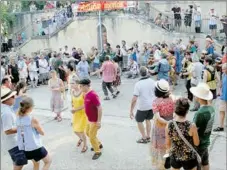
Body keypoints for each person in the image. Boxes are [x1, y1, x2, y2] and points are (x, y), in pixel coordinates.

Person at [16, 96, 52, 170]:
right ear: (31, 107)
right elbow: (42, 133)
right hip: (35, 147)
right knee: (48, 161)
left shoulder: (17, 117)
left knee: (36, 163)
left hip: (25, 148)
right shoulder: (32, 119)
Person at [166, 97, 200, 170]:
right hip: (189, 157)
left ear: (175, 110)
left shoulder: (169, 124)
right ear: (187, 111)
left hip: (175, 155)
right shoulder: (191, 126)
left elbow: (168, 143)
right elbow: (196, 143)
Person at [1, 88, 28, 170]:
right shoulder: (6, 112)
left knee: (18, 162)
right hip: (13, 143)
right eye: (13, 96)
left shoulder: (6, 108)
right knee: (20, 162)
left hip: (12, 142)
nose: (15, 97)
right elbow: (8, 130)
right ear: (7, 99)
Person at [190, 83, 215, 170]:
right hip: (206, 140)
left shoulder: (200, 113)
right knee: (205, 162)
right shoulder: (211, 109)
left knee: (196, 165)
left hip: (199, 143)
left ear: (199, 97)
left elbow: (194, 129)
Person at [150, 79, 174, 169]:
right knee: (170, 145)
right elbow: (175, 113)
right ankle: (169, 163)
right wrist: (171, 122)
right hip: (171, 126)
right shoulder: (173, 99)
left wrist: (166, 122)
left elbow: (158, 117)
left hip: (160, 128)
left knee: (161, 150)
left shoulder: (156, 102)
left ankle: (162, 166)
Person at [78, 79, 103, 160]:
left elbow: (99, 108)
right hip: (89, 119)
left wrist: (99, 121)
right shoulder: (85, 94)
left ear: (86, 86)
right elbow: (86, 105)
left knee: (91, 136)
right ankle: (98, 144)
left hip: (95, 120)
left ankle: (97, 151)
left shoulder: (93, 95)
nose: (80, 88)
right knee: (88, 133)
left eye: (81, 86)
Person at [130, 66, 155, 143]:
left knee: (139, 121)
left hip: (142, 106)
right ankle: (148, 136)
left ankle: (144, 137)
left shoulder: (138, 84)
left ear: (140, 74)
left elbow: (134, 99)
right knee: (148, 120)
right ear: (147, 72)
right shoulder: (152, 81)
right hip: (151, 105)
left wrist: (131, 110)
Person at [71, 79, 88, 153]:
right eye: (70, 83)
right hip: (76, 114)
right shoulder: (72, 92)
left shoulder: (83, 92)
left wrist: (76, 109)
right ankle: (81, 139)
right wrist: (72, 107)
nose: (71, 84)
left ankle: (85, 145)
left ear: (78, 84)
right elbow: (73, 101)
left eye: (73, 83)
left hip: (82, 114)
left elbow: (85, 104)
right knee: (75, 130)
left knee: (81, 131)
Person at [213, 63, 227, 131]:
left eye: (224, 69)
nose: (222, 70)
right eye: (222, 69)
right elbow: (221, 84)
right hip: (223, 97)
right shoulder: (223, 74)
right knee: (221, 111)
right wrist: (220, 91)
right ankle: (221, 126)